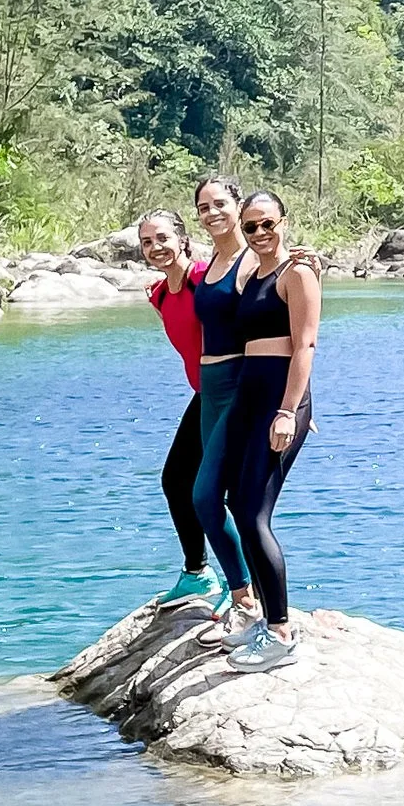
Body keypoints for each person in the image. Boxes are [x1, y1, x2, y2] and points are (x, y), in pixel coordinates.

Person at [218, 190, 321, 663]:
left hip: (278, 402)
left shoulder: (297, 273)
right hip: (248, 398)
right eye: (251, 226)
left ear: (284, 221)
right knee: (237, 504)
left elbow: (305, 347)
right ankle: (265, 617)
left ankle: (280, 634)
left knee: (256, 514)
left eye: (268, 224)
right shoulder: (253, 274)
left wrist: (289, 410)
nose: (261, 233)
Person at [183, 174, 264, 633]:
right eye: (203, 207)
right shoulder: (210, 262)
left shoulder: (253, 261)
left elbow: (284, 305)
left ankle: (246, 599)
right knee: (221, 497)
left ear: (238, 205)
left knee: (206, 496)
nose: (211, 213)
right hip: (208, 388)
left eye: (220, 204)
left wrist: (291, 399)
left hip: (238, 382)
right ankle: (251, 596)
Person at [137, 208, 224, 615]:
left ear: (184, 240)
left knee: (216, 492)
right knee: (176, 481)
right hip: (204, 395)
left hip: (230, 394)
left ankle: (243, 587)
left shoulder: (204, 278)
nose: (156, 248)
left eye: (163, 239)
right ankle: (197, 573)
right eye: (147, 242)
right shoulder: (159, 294)